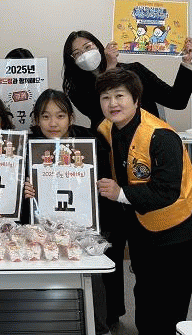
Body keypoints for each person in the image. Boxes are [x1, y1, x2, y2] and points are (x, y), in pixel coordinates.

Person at [96, 68, 192, 335]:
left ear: (136, 99)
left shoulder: (161, 136)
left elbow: (167, 191)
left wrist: (120, 193)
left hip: (177, 222)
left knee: (170, 294)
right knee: (145, 285)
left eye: (120, 96)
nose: (112, 103)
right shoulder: (107, 128)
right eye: (106, 97)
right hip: (140, 219)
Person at [24, 89, 112, 335]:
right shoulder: (29, 146)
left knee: (89, 278)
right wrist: (25, 190)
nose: (53, 123)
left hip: (83, 225)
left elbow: (104, 186)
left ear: (71, 118)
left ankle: (99, 328)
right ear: (36, 120)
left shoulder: (90, 142)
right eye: (45, 117)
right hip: (43, 227)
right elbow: (15, 188)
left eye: (60, 116)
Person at [62, 30, 192, 130]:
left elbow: (177, 100)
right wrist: (110, 69)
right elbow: (101, 115)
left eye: (88, 47)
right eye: (77, 53)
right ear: (72, 60)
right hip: (111, 148)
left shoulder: (135, 70)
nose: (85, 55)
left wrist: (187, 62)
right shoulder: (76, 88)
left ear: (98, 46)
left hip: (148, 141)